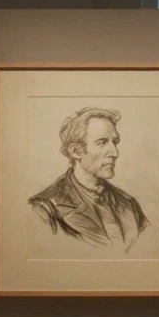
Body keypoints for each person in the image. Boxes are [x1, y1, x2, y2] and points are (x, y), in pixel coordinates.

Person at [29, 106, 150, 251]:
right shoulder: (45, 208)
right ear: (76, 151)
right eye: (102, 142)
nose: (115, 152)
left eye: (115, 142)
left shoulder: (129, 204)